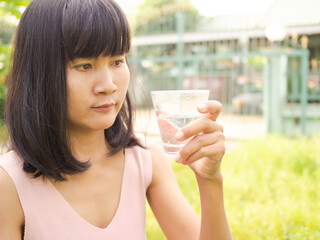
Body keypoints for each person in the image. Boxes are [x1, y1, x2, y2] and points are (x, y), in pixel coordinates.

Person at [0, 0, 232, 239]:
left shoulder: (143, 159)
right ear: (39, 74)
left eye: (117, 61)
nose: (108, 85)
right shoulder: (9, 184)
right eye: (84, 65)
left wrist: (210, 180)